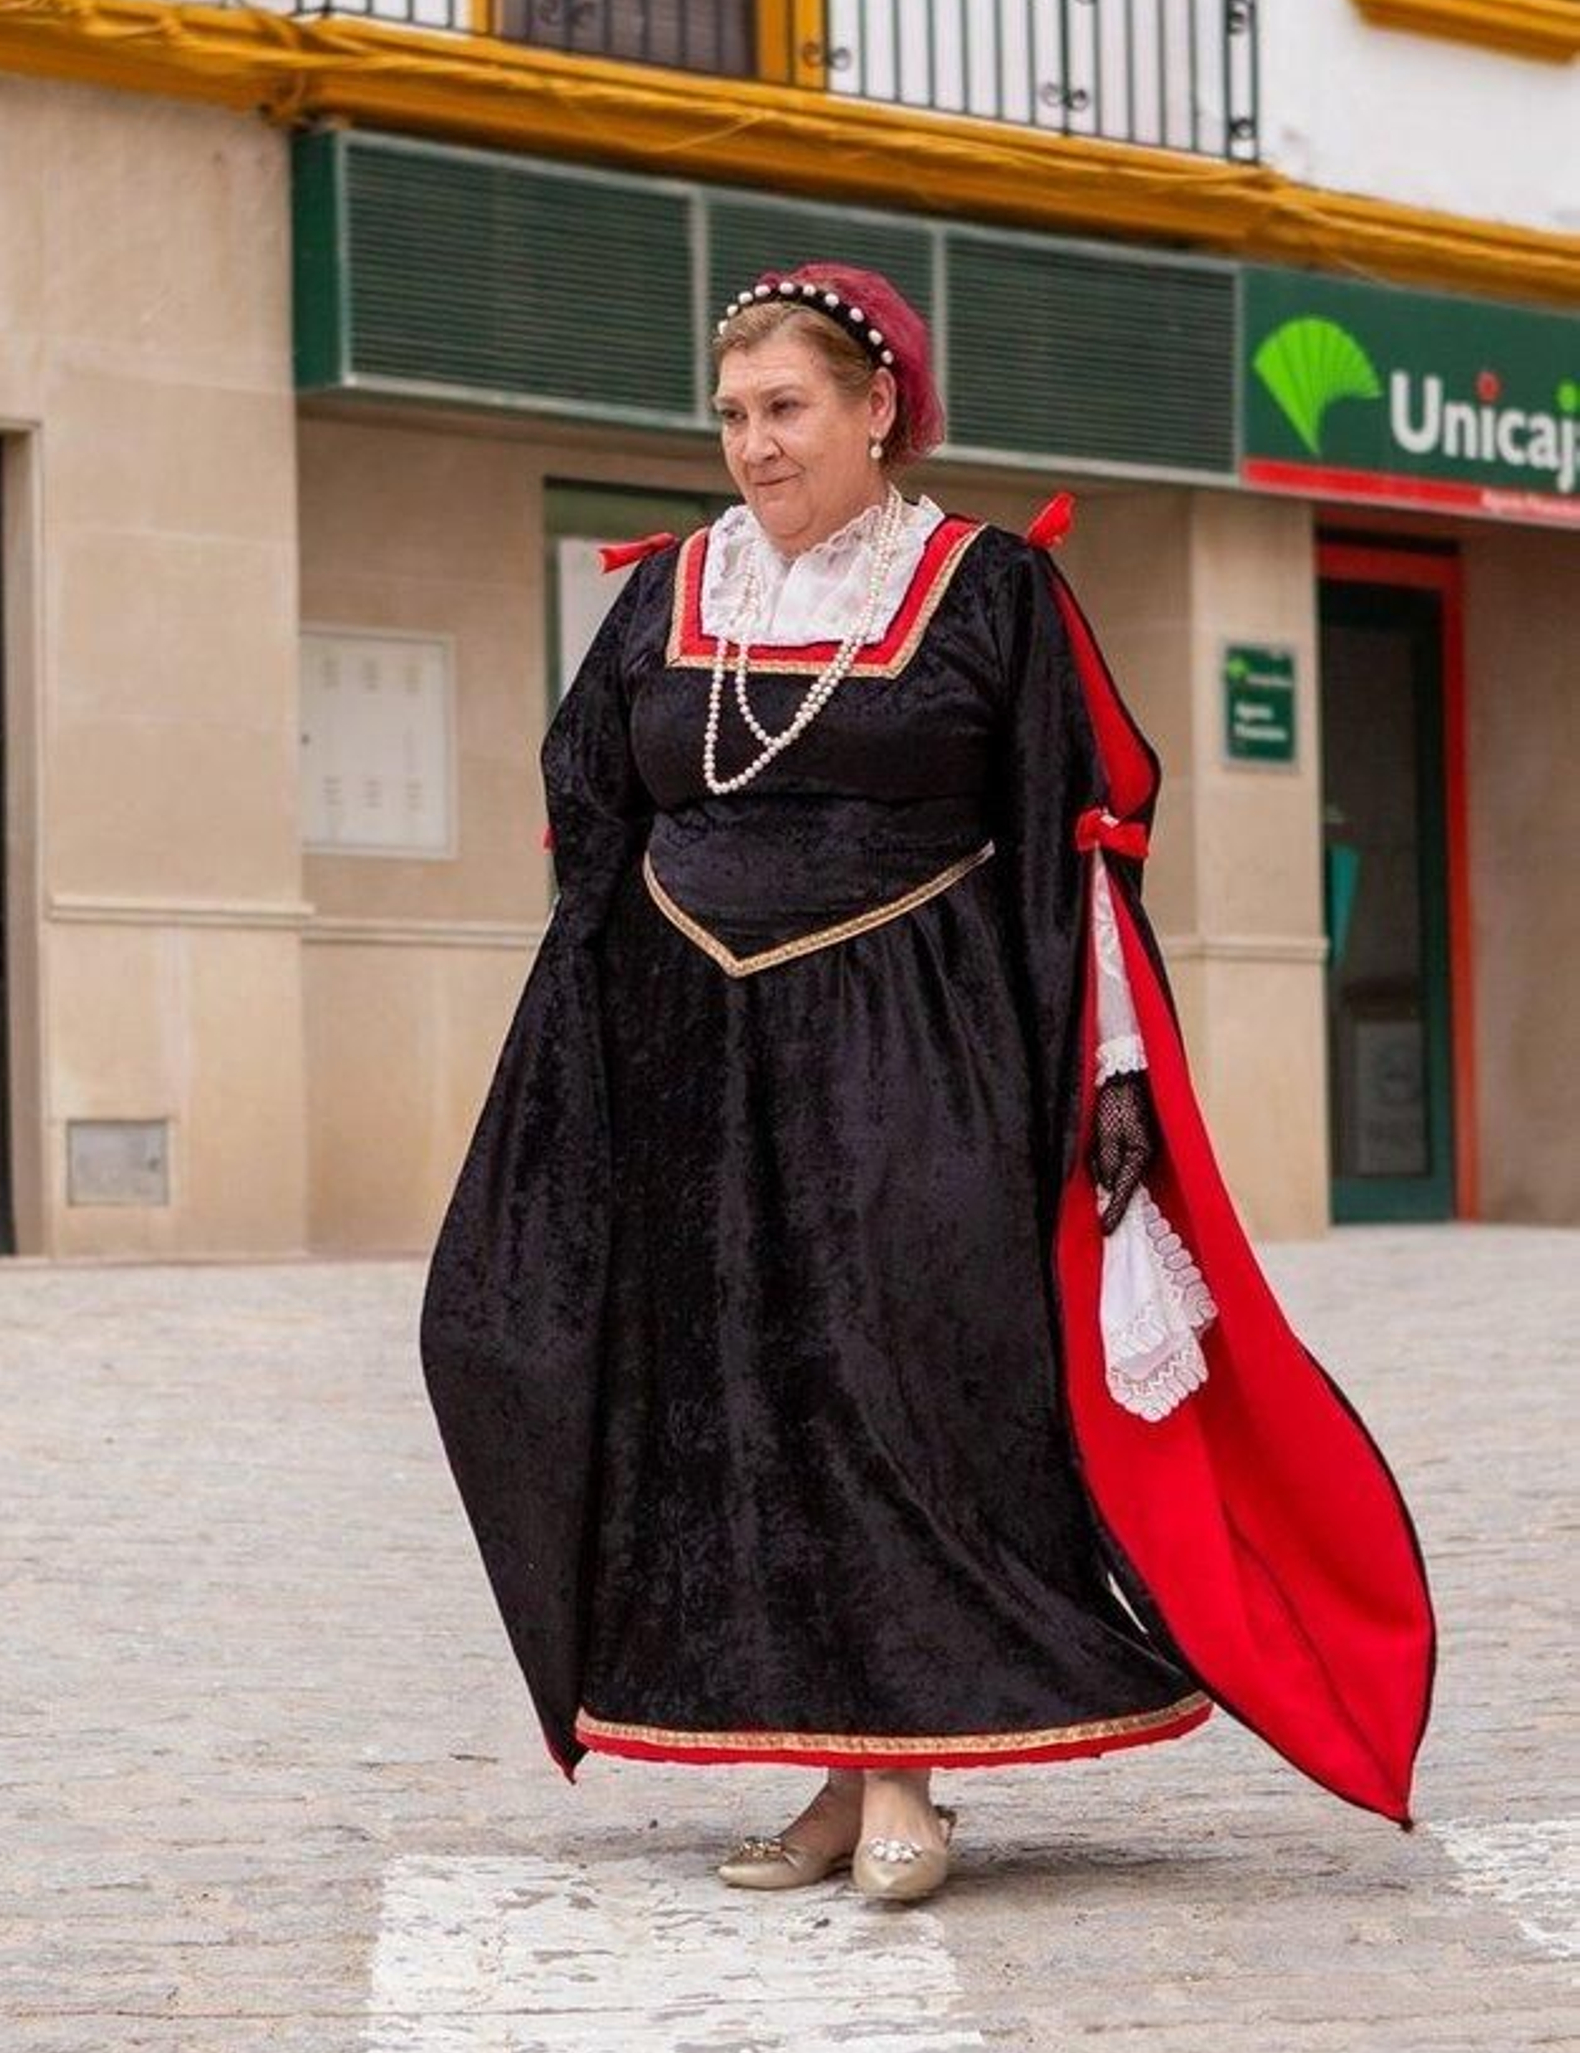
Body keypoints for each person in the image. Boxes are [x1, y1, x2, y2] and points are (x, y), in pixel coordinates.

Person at [419, 261, 1436, 1906]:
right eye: (733, 415)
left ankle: (911, 1766)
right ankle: (829, 1768)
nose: (755, 445)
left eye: (787, 409)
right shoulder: (672, 591)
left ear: (877, 408)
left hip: (923, 1052)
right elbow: (592, 834)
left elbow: (1075, 847)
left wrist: (1103, 1071)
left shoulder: (988, 592)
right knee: (745, 1404)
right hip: (700, 1070)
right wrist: (576, 1082)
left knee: (898, 1380)